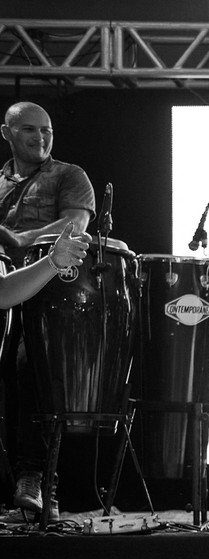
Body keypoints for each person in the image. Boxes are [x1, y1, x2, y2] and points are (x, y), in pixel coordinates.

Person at [0, 101, 96, 520]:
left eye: (47, 131)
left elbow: (76, 226)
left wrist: (20, 240)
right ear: (7, 133)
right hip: (4, 291)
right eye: (30, 130)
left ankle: (37, 480)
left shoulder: (69, 175)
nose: (40, 137)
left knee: (31, 370)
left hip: (51, 293)